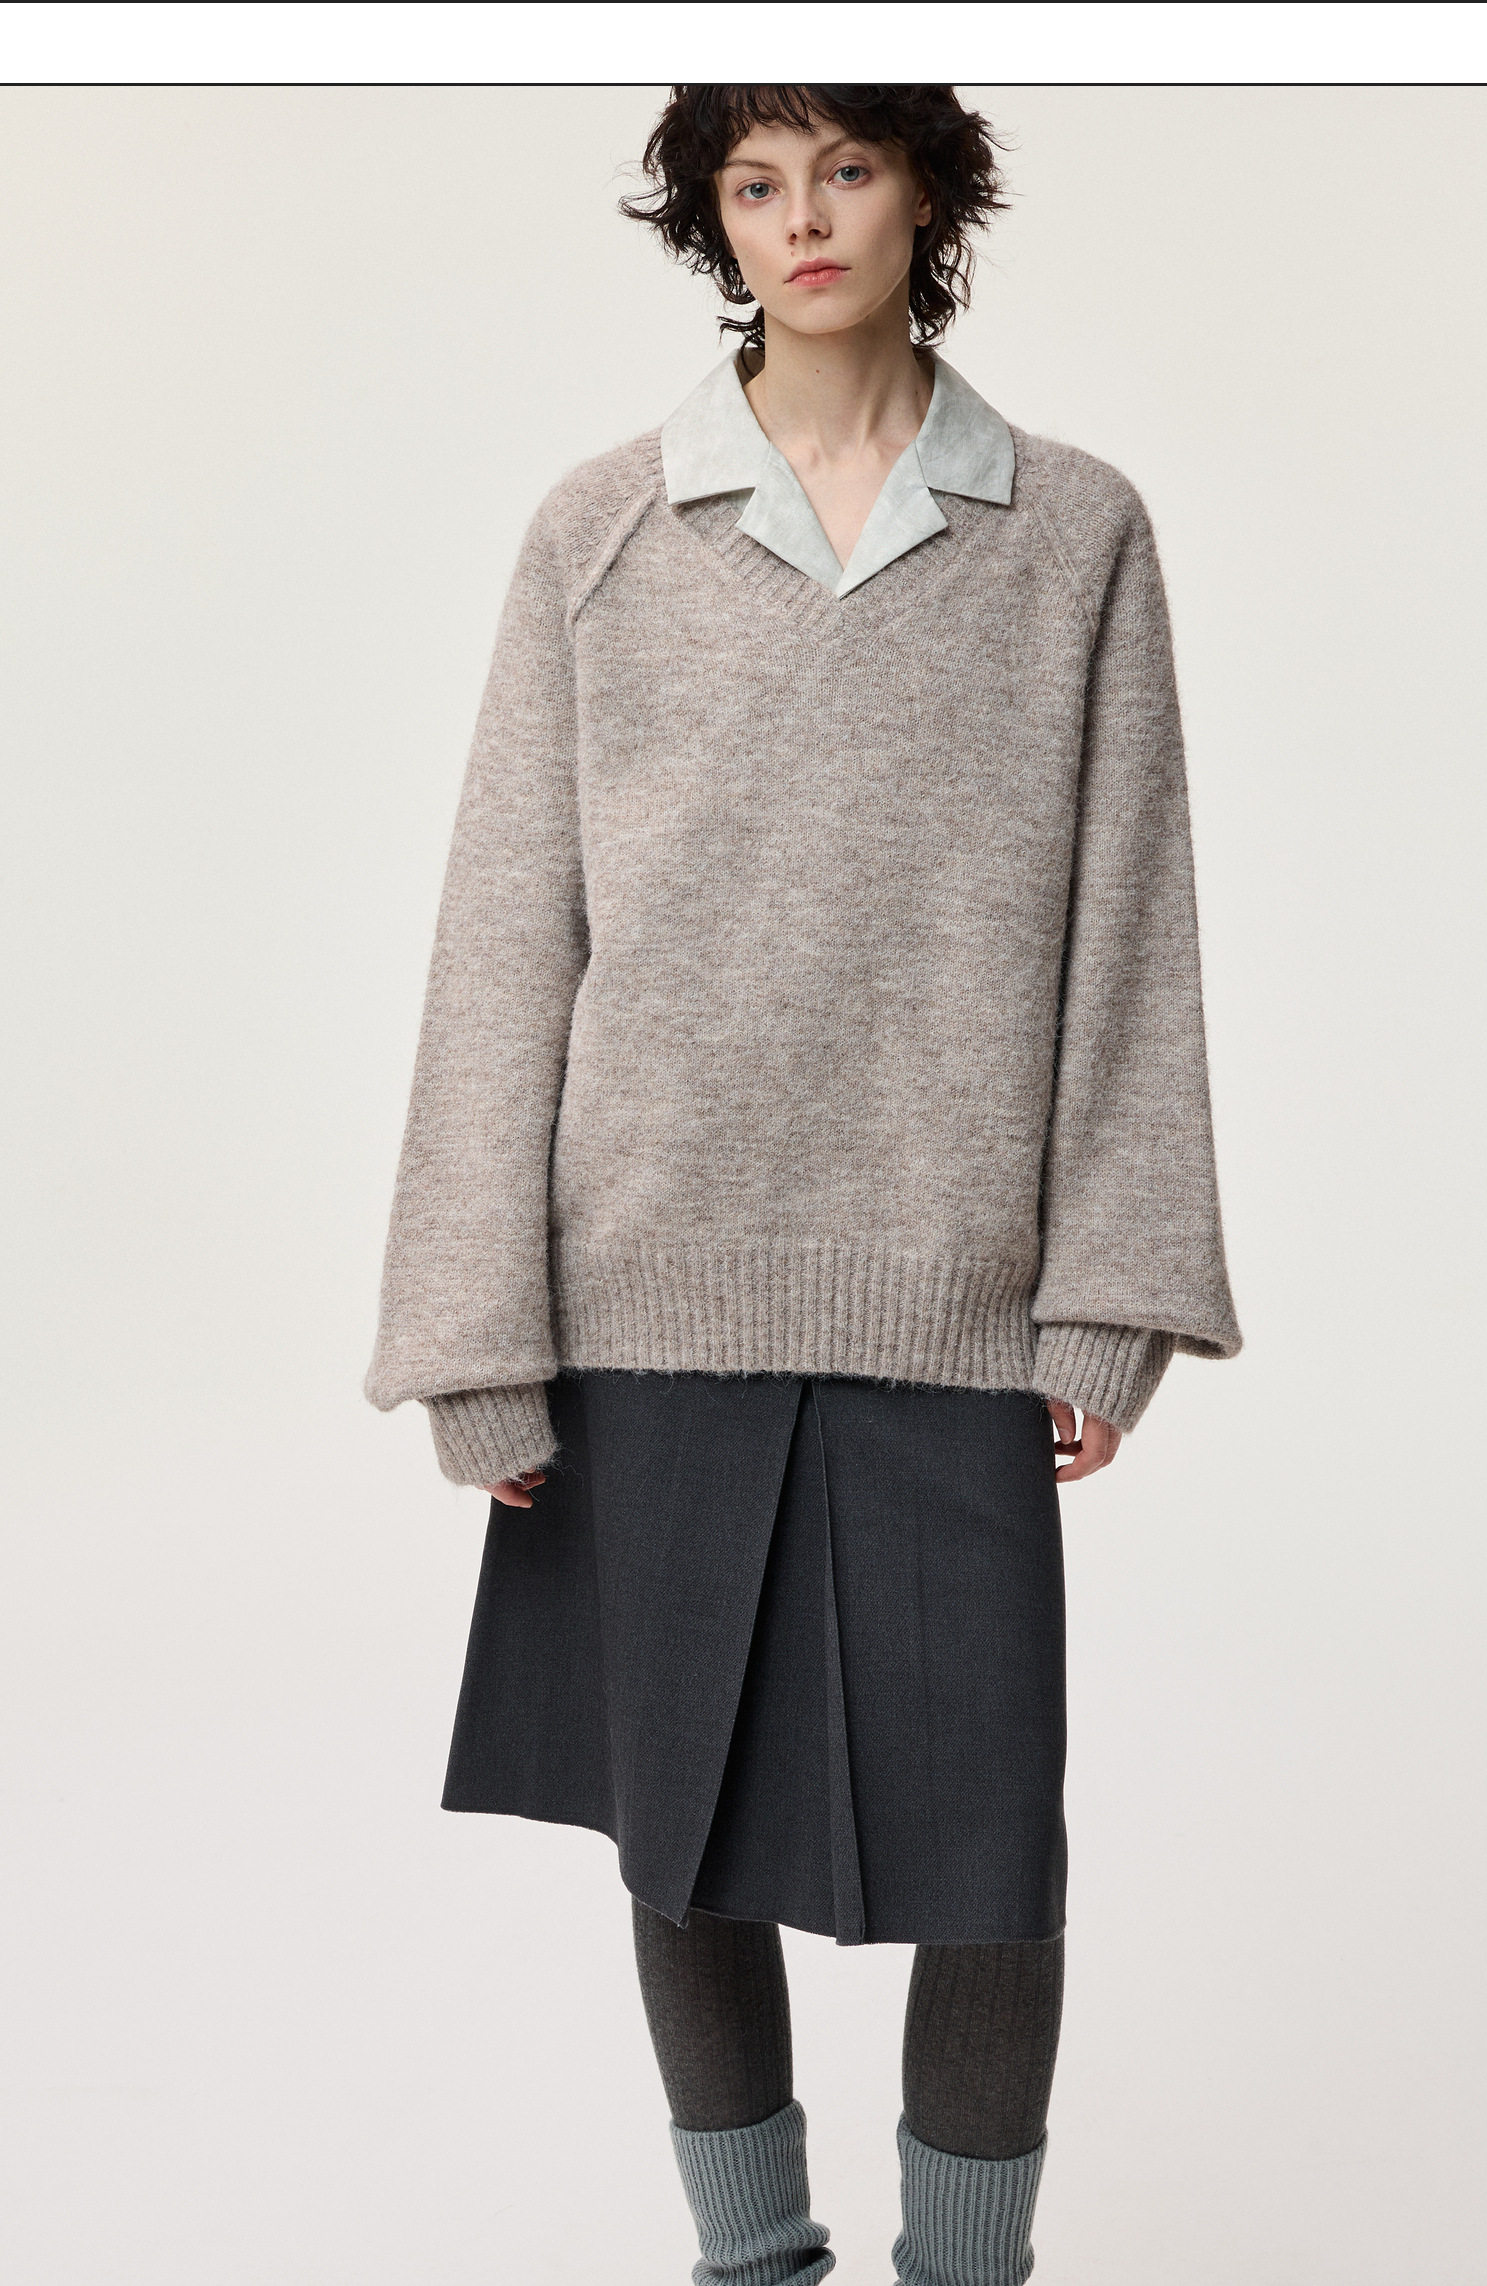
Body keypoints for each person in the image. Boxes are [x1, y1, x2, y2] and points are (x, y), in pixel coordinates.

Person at [365, 82, 1242, 2286]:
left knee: (991, 1862)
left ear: (927, 190)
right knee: (676, 1836)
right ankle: (751, 2262)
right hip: (641, 1286)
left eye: (843, 167)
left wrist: (1107, 1294)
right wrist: (475, 1333)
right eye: (752, 184)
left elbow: (1129, 923)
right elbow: (507, 933)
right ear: (712, 222)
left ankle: (966, 2271)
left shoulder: (1073, 530)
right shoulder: (598, 528)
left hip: (954, 1293)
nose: (801, 219)